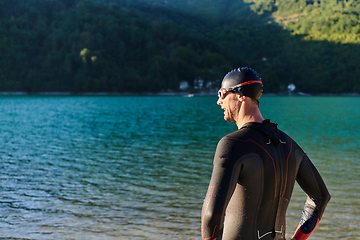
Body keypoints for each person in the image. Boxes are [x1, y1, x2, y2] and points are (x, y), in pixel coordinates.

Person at [201, 67, 330, 240]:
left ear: (241, 96)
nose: (219, 102)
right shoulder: (290, 145)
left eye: (222, 94)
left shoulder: (233, 144)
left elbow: (211, 215)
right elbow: (320, 197)